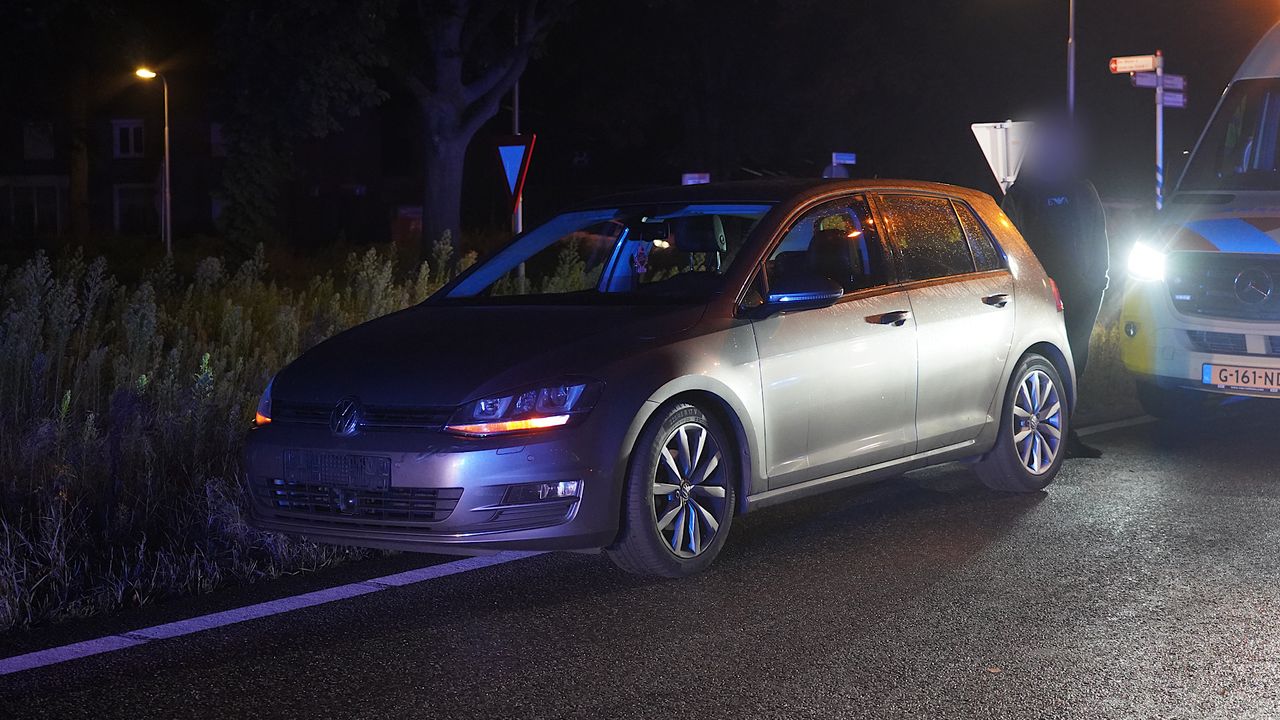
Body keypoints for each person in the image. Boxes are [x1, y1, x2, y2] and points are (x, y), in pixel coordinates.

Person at [1002, 118, 1110, 459]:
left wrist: (1099, 277)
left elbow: (1098, 235)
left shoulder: (1081, 189)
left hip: (1083, 291)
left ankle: (1066, 433)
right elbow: (1011, 244)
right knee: (1042, 363)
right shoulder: (1021, 194)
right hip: (1041, 295)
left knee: (1076, 361)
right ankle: (1043, 434)